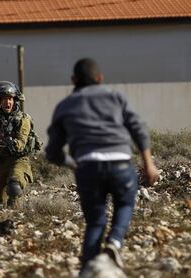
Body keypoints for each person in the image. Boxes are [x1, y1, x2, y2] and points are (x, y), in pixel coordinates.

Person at [45, 58, 159, 271]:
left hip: (87, 168)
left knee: (95, 222)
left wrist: (73, 164)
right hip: (121, 164)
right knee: (125, 204)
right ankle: (115, 242)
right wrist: (149, 163)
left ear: (73, 79)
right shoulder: (115, 97)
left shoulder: (64, 106)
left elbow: (52, 152)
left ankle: (88, 271)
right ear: (99, 78)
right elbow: (138, 129)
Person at [0, 81, 41, 208]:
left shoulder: (23, 119)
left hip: (19, 160)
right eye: (3, 99)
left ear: (14, 100)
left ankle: (15, 215)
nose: (7, 102)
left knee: (14, 187)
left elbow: (20, 143)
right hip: (1, 161)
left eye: (9, 99)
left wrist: (10, 140)